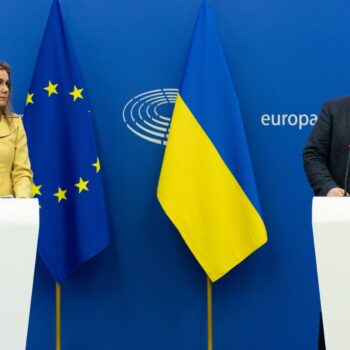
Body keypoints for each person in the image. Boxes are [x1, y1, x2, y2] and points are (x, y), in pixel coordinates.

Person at [303, 96, 350, 350]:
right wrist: (330, 188)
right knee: (340, 314)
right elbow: (313, 154)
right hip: (344, 226)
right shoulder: (335, 109)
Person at [0, 62, 32, 198]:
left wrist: (23, 206)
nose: (5, 89)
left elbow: (21, 174)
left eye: (7, 84)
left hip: (7, 215)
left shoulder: (16, 123)